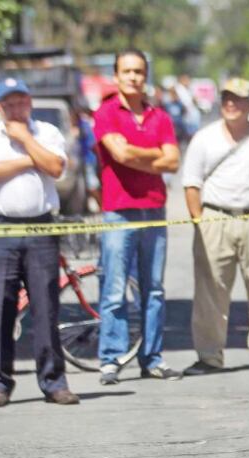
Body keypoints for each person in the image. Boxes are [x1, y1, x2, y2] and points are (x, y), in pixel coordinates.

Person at [0, 78, 79, 407]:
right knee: (0, 308)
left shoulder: (46, 132)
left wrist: (25, 139)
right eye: (9, 104)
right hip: (1, 229)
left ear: (29, 102)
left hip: (41, 229)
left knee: (46, 309)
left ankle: (53, 381)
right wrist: (32, 158)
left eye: (21, 102)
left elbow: (56, 167)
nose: (16, 109)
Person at [180, 78, 249, 375]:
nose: (231, 104)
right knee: (209, 290)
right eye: (227, 98)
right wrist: (199, 222)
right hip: (215, 216)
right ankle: (208, 355)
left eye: (239, 99)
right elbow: (191, 183)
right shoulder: (204, 138)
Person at [93, 49, 182, 385]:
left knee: (154, 290)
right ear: (116, 76)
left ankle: (152, 358)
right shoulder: (106, 113)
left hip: (154, 210)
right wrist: (154, 155)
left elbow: (172, 162)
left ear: (146, 76)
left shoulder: (160, 117)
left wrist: (138, 156)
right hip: (120, 211)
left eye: (139, 72)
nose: (133, 77)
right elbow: (119, 153)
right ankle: (110, 359)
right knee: (114, 288)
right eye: (127, 71)